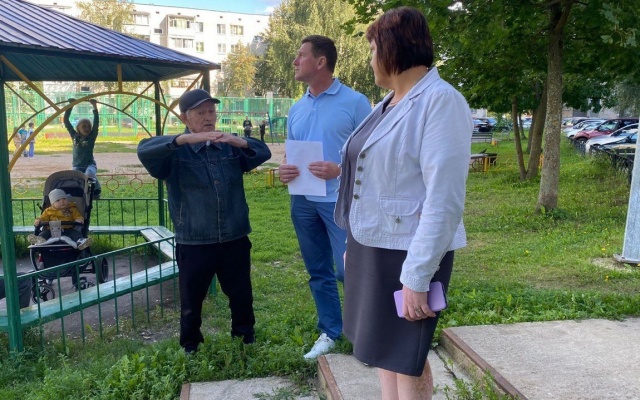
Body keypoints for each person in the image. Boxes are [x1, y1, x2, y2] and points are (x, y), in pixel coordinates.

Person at [333, 7, 473, 399]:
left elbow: (444, 199)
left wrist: (417, 276)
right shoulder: (389, 103)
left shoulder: (440, 102)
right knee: (382, 349)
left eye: (373, 49)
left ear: (392, 48)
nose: (370, 59)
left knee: (406, 353)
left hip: (408, 250)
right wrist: (354, 243)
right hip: (372, 245)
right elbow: (372, 181)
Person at [137, 89, 271, 353]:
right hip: (195, 240)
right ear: (185, 118)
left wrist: (239, 141)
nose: (209, 117)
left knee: (241, 294)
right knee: (191, 300)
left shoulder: (228, 147)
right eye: (200, 113)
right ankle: (190, 346)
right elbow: (144, 150)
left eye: (211, 111)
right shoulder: (175, 153)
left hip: (234, 236)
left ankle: (245, 339)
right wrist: (184, 140)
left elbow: (262, 152)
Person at [278, 35, 371, 360]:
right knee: (318, 270)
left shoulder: (355, 102)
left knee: (349, 270)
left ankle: (366, 331)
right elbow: (292, 154)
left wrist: (339, 170)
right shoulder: (297, 108)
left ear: (321, 62)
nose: (295, 61)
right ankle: (331, 331)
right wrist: (285, 170)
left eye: (300, 55)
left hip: (340, 202)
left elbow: (373, 155)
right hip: (302, 201)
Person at [27, 188, 93, 250]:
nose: (62, 201)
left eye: (64, 199)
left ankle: (80, 241)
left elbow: (77, 215)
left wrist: (79, 219)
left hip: (67, 229)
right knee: (44, 233)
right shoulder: (48, 211)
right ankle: (39, 240)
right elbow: (43, 218)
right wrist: (39, 220)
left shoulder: (72, 208)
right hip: (52, 230)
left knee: (75, 234)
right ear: (52, 203)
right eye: (58, 200)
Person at [64, 98, 102, 198]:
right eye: (83, 126)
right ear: (78, 128)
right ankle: (78, 193)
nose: (87, 128)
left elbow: (96, 123)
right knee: (74, 178)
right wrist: (71, 105)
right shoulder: (74, 136)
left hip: (90, 164)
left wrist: (94, 106)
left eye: (88, 126)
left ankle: (96, 191)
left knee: (89, 174)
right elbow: (66, 121)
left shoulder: (92, 137)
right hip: (77, 165)